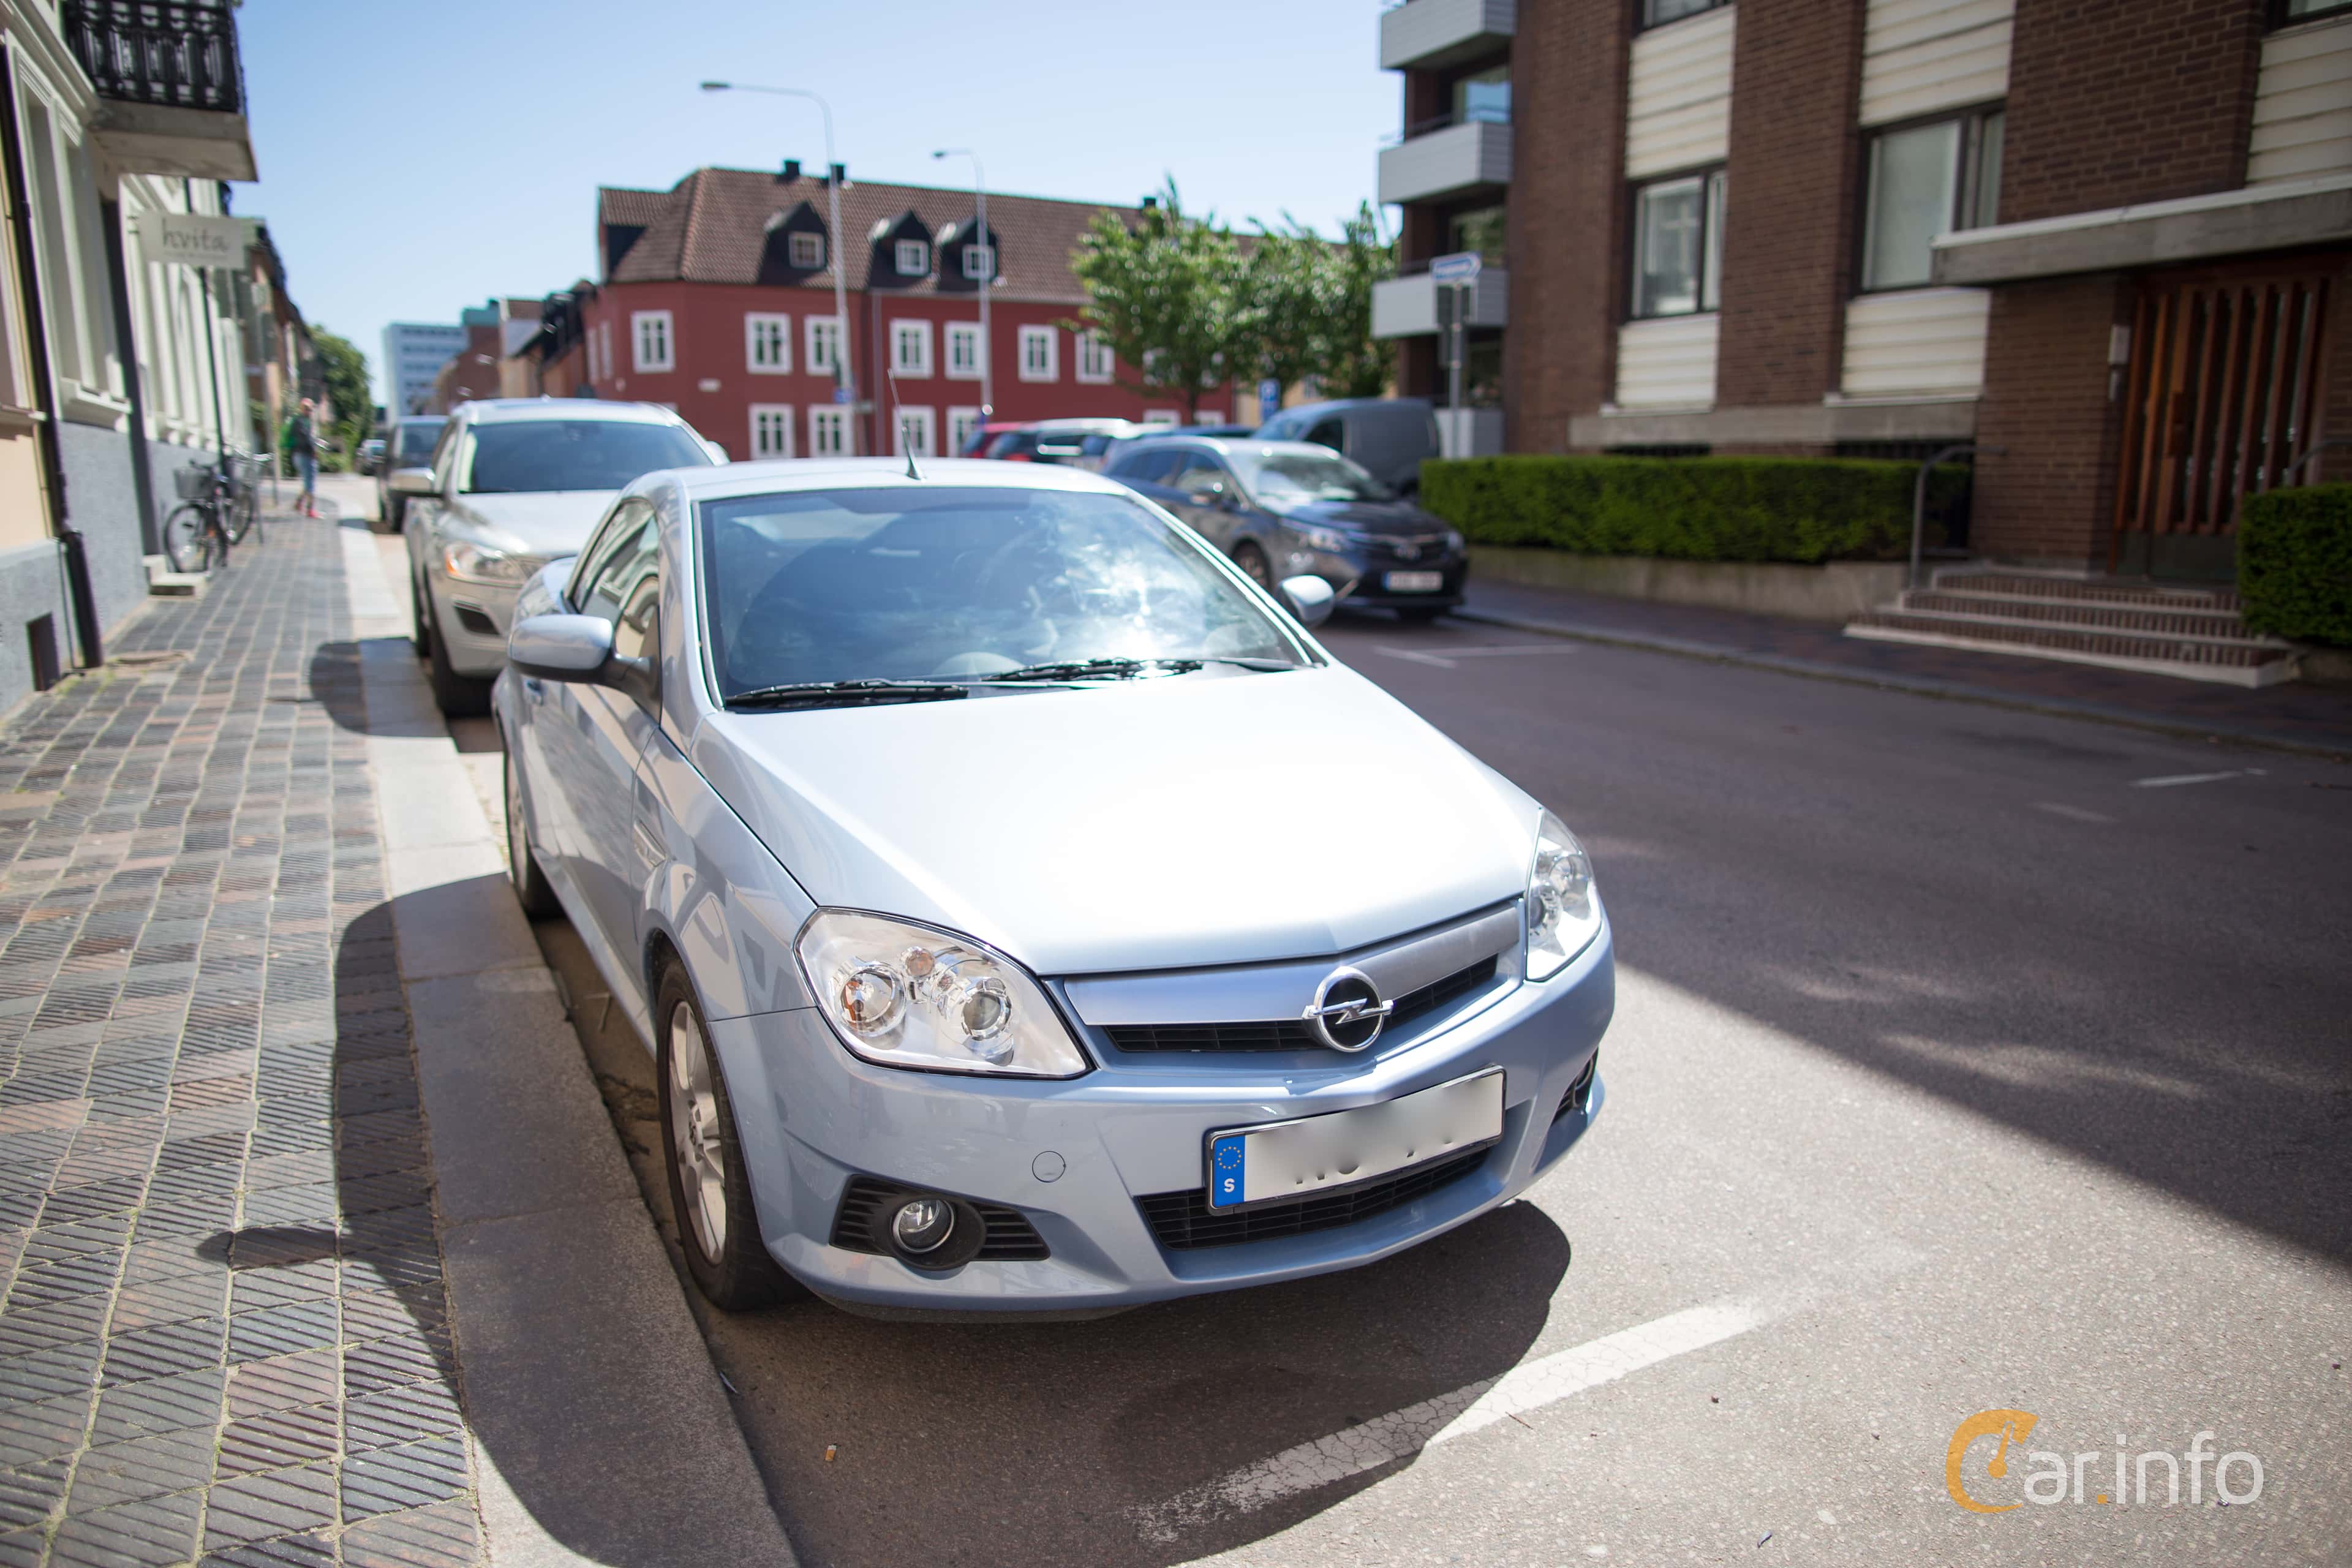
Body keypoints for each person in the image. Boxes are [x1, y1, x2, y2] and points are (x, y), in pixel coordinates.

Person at [280, 399, 318, 518]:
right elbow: (305, 439)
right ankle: (310, 509)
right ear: (302, 409)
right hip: (304, 455)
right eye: (307, 409)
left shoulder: (301, 421)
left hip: (299, 455)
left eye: (311, 409)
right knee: (310, 483)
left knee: (308, 482)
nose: (310, 411)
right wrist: (313, 450)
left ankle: (299, 502)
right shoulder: (301, 422)